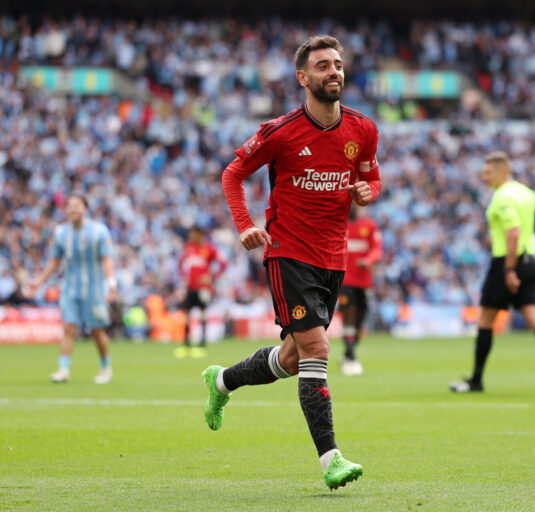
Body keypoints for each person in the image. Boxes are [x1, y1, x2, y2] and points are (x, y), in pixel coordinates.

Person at [203, 34, 381, 489]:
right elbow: (233, 173)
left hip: (333, 258)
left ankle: (222, 381)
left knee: (292, 357)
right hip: (289, 253)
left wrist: (369, 191)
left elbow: (370, 174)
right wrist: (245, 224)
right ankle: (331, 460)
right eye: (322, 66)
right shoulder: (280, 131)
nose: (333, 72)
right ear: (303, 78)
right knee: (319, 351)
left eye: (338, 64)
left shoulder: (362, 128)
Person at [450, 152, 535, 394]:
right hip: (530, 262)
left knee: (485, 320)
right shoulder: (522, 191)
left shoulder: (503, 197)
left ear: (501, 172)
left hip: (507, 263)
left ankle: (476, 381)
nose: (483, 176)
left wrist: (509, 270)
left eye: (487, 172)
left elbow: (513, 232)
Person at [27, 194, 117, 384]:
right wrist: (39, 281)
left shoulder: (99, 231)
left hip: (93, 290)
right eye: (69, 206)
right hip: (70, 289)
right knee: (68, 328)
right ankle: (63, 370)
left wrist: (111, 283)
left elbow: (106, 259)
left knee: (96, 330)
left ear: (85, 208)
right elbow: (54, 261)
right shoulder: (61, 233)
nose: (72, 209)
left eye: (77, 205)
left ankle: (105, 367)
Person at [339, 204, 383, 376]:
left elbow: (377, 250)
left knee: (359, 321)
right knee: (348, 318)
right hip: (344, 280)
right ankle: (352, 358)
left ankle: (346, 355)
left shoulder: (370, 226)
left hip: (364, 282)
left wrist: (368, 260)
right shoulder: (339, 225)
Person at [175, 226, 227, 358]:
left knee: (202, 312)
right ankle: (186, 345)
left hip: (203, 288)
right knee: (187, 313)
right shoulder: (189, 247)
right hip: (190, 287)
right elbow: (181, 263)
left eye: (193, 234)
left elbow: (223, 263)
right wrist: (184, 276)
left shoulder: (209, 248)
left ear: (200, 234)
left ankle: (201, 345)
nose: (191, 237)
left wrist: (212, 277)